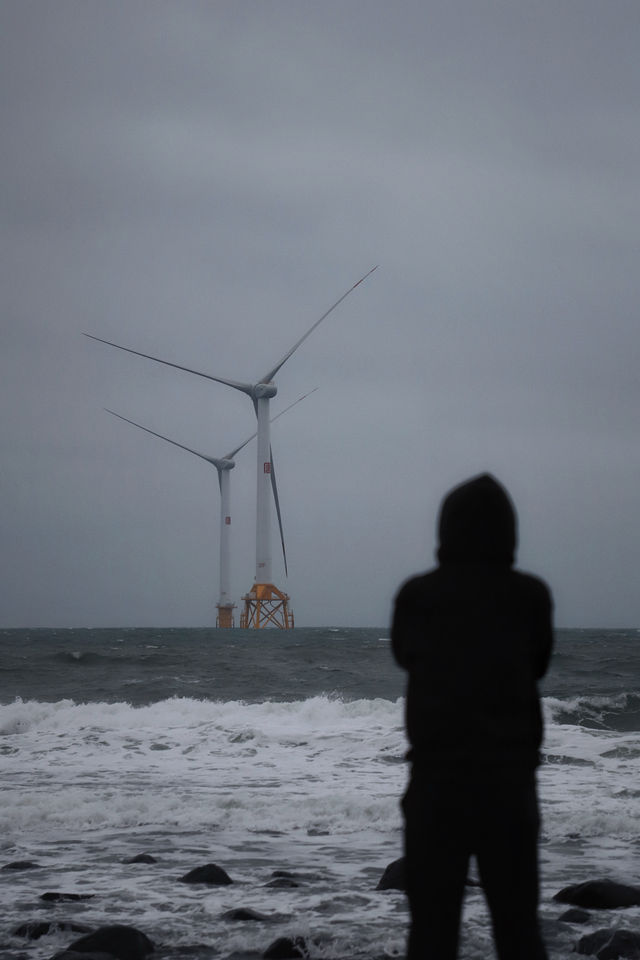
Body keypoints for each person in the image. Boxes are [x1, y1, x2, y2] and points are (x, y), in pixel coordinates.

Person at [391, 473, 553, 960]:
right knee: (519, 931)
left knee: (432, 935)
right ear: (509, 531)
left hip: (436, 785)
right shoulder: (529, 596)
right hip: (509, 786)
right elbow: (539, 662)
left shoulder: (418, 595)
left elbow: (403, 655)